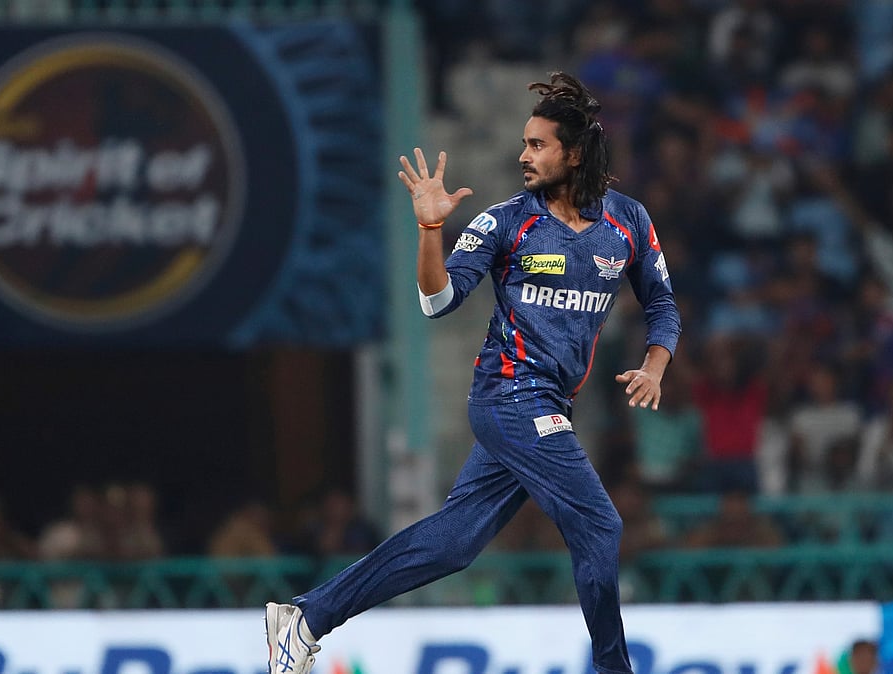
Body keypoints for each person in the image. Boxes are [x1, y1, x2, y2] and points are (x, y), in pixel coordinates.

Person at [265, 72, 680, 674]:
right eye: (523, 144)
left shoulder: (628, 222)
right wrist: (431, 229)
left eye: (537, 145)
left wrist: (654, 365)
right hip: (509, 396)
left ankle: (306, 618)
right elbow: (437, 300)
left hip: (548, 404)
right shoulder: (506, 222)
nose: (524, 155)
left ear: (575, 153)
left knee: (455, 544)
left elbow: (663, 304)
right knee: (599, 523)